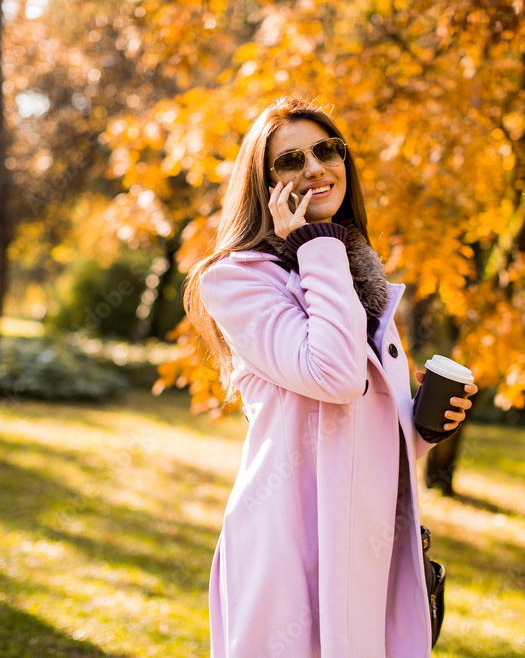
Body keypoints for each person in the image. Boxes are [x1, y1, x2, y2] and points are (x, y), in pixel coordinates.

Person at [184, 96, 477, 657]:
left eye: (327, 150)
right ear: (263, 187)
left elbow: (359, 427)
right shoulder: (238, 280)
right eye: (291, 161)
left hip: (366, 544)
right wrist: (315, 246)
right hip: (290, 536)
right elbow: (336, 377)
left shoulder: (357, 276)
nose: (315, 167)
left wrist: (423, 427)